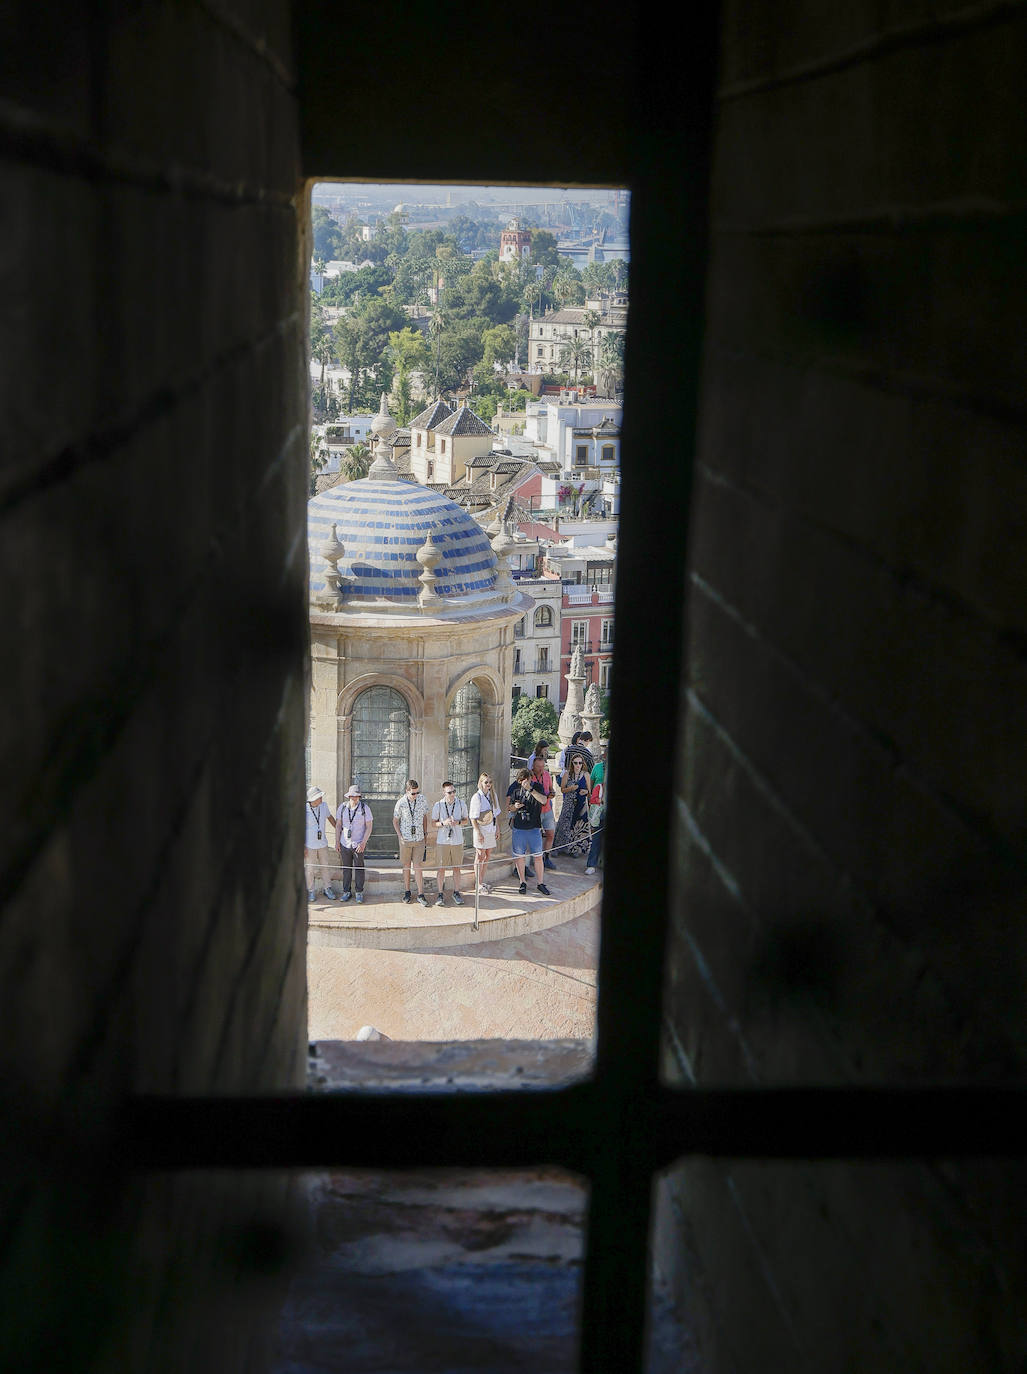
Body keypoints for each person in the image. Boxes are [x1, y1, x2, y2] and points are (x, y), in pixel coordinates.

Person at [506, 768, 551, 897]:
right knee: (519, 856)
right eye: (521, 781)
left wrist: (530, 789)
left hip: (534, 828)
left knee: (537, 856)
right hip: (519, 828)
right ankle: (522, 882)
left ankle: (540, 883)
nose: (523, 783)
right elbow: (509, 808)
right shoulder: (515, 788)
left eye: (525, 780)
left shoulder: (537, 787)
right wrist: (515, 806)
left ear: (530, 779)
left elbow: (543, 800)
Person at [392, 779, 429, 906]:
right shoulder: (401, 803)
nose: (416, 795)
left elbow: (425, 816)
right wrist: (400, 836)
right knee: (406, 865)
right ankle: (407, 892)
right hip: (406, 840)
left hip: (419, 839)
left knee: (418, 866)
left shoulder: (422, 800)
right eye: (413, 793)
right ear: (407, 791)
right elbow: (395, 821)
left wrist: (425, 833)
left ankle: (421, 894)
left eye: (417, 792)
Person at [431, 780, 467, 905]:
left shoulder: (461, 803)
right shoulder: (438, 805)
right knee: (441, 869)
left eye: (454, 791)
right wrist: (443, 823)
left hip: (457, 840)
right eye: (449, 792)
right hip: (443, 841)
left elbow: (466, 820)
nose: (452, 794)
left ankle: (456, 892)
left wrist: (457, 822)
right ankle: (440, 894)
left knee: (457, 867)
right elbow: (433, 823)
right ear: (444, 792)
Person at [335, 783, 373, 903]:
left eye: (356, 796)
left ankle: (359, 892)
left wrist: (363, 843)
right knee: (346, 869)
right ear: (349, 796)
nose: (354, 798)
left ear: (359, 797)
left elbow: (369, 827)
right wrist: (337, 842)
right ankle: (346, 892)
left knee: (359, 868)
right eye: (352, 796)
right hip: (344, 843)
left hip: (358, 845)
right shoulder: (342, 808)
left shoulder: (365, 808)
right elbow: (338, 826)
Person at [552, 753, 591, 859]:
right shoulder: (567, 774)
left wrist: (586, 792)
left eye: (580, 763)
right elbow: (562, 789)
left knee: (578, 825)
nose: (578, 765)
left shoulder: (586, 775)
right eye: (575, 763)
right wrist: (571, 789)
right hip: (568, 803)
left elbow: (589, 792)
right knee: (564, 824)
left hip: (581, 804)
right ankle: (558, 847)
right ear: (572, 764)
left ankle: (575, 848)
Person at [469, 772, 499, 895]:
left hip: (491, 829)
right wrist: (478, 832)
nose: (488, 784)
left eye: (490, 782)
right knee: (480, 855)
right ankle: (478, 883)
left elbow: (496, 814)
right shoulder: (477, 797)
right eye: (486, 782)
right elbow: (473, 817)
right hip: (481, 830)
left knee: (487, 855)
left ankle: (481, 881)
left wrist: (498, 828)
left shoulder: (493, 795)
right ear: (481, 783)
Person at [305, 785, 337, 901]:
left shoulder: (324, 806)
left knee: (325, 867)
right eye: (319, 797)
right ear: (313, 799)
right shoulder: (304, 809)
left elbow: (330, 818)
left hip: (323, 843)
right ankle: (310, 890)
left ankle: (327, 888)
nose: (321, 798)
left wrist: (338, 830)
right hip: (309, 845)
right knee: (310, 869)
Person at [530, 747, 558, 870]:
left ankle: (546, 858)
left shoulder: (546, 775)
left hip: (547, 810)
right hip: (536, 812)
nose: (541, 769)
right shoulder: (530, 777)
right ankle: (535, 858)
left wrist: (552, 793)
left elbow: (551, 788)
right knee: (535, 836)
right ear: (533, 767)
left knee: (550, 834)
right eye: (538, 767)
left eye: (542, 766)